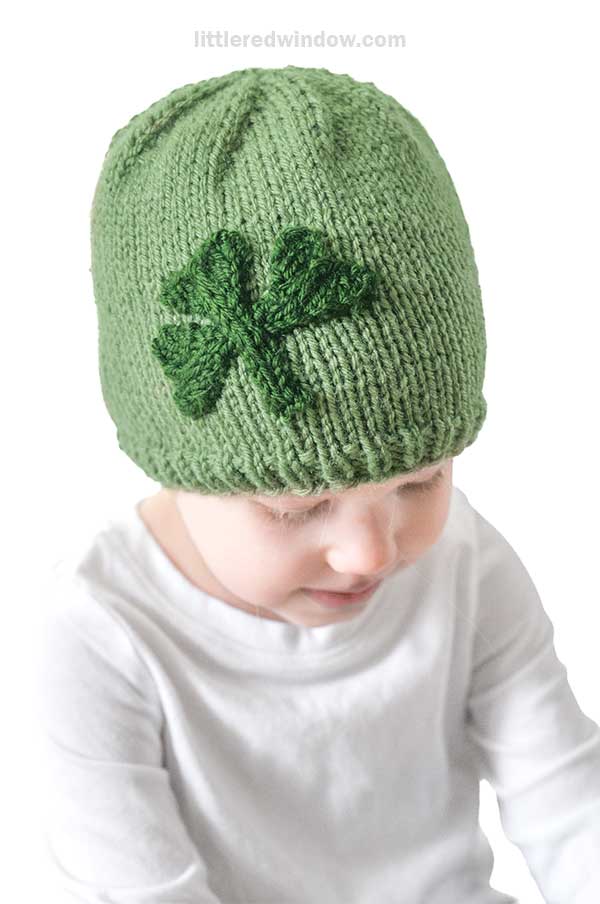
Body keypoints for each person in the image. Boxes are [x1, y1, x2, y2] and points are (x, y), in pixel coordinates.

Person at [36, 65, 600, 903]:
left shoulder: (467, 563)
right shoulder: (98, 636)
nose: (371, 550)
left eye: (421, 480)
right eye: (296, 506)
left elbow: (568, 802)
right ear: (176, 466)